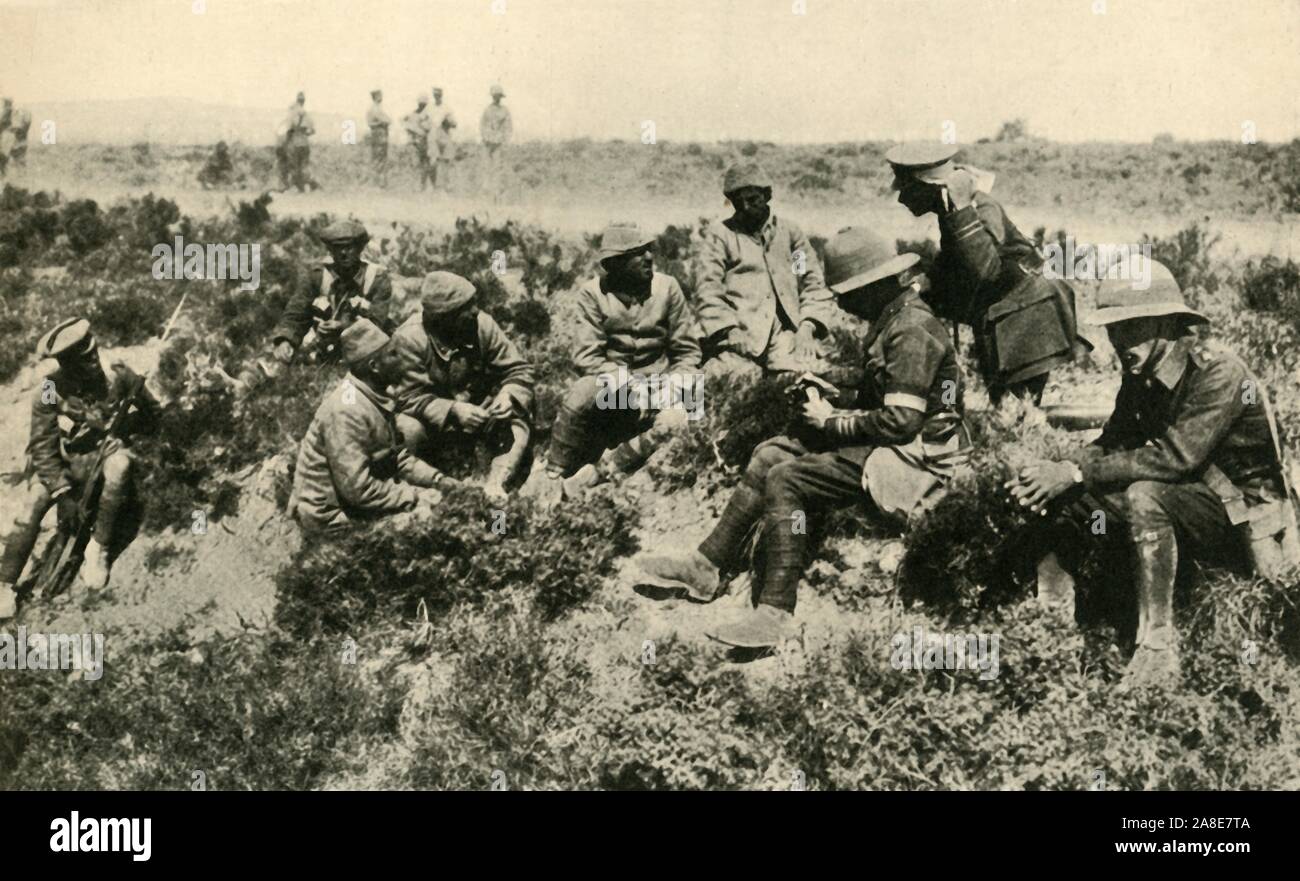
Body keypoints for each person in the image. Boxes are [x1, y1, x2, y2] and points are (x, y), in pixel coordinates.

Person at [634, 228, 967, 649]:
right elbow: (880, 397)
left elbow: (901, 420)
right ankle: (706, 567)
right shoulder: (895, 318)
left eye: (848, 294)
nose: (843, 305)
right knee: (770, 453)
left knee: (787, 478)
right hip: (896, 444)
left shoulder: (911, 329)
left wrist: (831, 422)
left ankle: (775, 612)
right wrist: (831, 391)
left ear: (873, 287)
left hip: (918, 462)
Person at [1007, 258, 1288, 687]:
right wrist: (1062, 471)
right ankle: (1052, 632)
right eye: (1113, 329)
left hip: (1242, 519)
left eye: (1131, 327)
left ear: (1166, 324)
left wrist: (1081, 475)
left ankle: (1157, 649)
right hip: (1185, 505)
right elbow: (1113, 442)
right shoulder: (1140, 375)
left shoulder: (1220, 372)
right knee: (1073, 503)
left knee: (1143, 495)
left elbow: (1177, 458)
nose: (1119, 341)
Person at [885, 142, 1083, 404]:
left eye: (907, 189)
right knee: (1004, 405)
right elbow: (956, 261)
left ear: (932, 186)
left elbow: (984, 269)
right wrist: (923, 283)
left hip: (1028, 311)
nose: (902, 198)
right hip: (1004, 311)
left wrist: (963, 209)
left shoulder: (978, 209)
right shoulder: (951, 212)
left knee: (1016, 410)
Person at [0, 319, 161, 616]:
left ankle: (98, 548)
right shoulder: (50, 390)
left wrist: (123, 430)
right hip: (61, 462)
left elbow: (153, 415)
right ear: (65, 362)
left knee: (121, 464)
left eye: (91, 351)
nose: (91, 361)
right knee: (32, 504)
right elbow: (43, 447)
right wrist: (62, 491)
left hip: (100, 457)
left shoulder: (119, 375)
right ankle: (5, 584)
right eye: (80, 358)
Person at [543, 222, 702, 498]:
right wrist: (626, 384)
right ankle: (552, 473)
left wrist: (675, 385)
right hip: (616, 390)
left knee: (679, 417)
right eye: (638, 253)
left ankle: (599, 472)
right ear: (615, 264)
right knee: (581, 392)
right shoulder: (592, 294)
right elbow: (586, 355)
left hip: (662, 385)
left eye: (649, 250)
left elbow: (687, 351)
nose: (649, 258)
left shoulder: (668, 288)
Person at [290, 320, 447, 532]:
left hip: (355, 501)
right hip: (330, 515)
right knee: (426, 523)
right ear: (374, 366)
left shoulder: (373, 394)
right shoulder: (346, 410)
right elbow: (357, 489)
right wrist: (414, 496)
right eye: (393, 354)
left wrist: (438, 480)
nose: (401, 360)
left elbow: (396, 458)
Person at [390, 271, 535, 501]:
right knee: (407, 428)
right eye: (466, 308)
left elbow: (519, 370)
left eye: (474, 303)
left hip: (481, 412)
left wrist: (507, 396)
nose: (475, 311)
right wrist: (453, 410)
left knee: (517, 413)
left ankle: (497, 483)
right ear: (444, 317)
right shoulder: (409, 338)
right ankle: (420, 485)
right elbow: (406, 397)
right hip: (435, 424)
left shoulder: (482, 325)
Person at [696, 161, 835, 377]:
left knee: (809, 379)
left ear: (767, 195)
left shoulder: (790, 235)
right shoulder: (720, 236)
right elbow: (708, 290)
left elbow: (810, 282)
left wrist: (807, 327)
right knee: (722, 384)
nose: (745, 207)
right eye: (737, 202)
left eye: (752, 199)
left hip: (788, 335)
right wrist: (730, 330)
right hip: (740, 337)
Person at [250, 220, 392, 386]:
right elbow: (296, 313)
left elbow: (377, 323)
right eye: (338, 248)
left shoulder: (377, 279)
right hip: (321, 345)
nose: (344, 253)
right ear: (330, 250)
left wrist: (343, 326)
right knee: (271, 360)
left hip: (364, 348)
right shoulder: (317, 276)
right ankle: (246, 384)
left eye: (350, 247)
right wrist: (286, 340)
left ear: (360, 249)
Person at [280, 91, 319, 192]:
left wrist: (286, 142)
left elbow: (289, 130)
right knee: (304, 166)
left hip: (296, 144)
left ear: (297, 101)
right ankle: (311, 184)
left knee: (296, 166)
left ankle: (300, 187)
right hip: (305, 144)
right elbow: (313, 131)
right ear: (304, 101)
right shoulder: (307, 115)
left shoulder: (293, 114)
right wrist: (305, 134)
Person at [480, 84, 512, 194]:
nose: (496, 98)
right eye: (494, 96)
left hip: (498, 142)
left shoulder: (505, 111)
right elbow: (482, 125)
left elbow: (508, 127)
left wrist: (505, 139)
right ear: (492, 96)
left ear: (501, 97)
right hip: (487, 141)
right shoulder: (487, 110)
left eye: (498, 96)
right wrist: (485, 136)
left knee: (498, 166)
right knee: (486, 165)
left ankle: (497, 189)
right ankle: (486, 188)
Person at [403, 95, 435, 191]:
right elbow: (408, 128)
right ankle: (416, 185)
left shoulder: (427, 116)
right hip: (415, 142)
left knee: (424, 163)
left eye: (424, 104)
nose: (422, 106)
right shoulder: (413, 115)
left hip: (423, 141)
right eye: (421, 104)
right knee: (417, 164)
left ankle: (423, 185)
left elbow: (429, 128)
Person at [431, 87, 456, 189]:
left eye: (438, 95)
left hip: (445, 134)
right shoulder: (429, 108)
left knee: (446, 160)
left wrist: (449, 122)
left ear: (441, 95)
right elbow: (422, 120)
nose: (437, 97)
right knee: (433, 160)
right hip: (433, 135)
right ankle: (435, 185)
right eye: (435, 95)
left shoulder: (446, 108)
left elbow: (454, 123)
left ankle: (447, 185)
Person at [365, 89, 391, 187]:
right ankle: (379, 183)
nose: (381, 97)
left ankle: (379, 182)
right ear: (376, 97)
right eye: (379, 95)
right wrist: (382, 123)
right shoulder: (375, 109)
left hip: (378, 136)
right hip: (379, 136)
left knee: (379, 159)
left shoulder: (376, 109)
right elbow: (386, 120)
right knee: (380, 159)